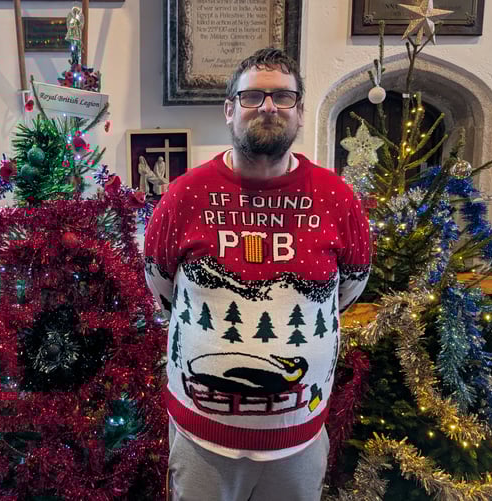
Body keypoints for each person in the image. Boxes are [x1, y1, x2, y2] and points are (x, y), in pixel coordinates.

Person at [144, 47, 371, 501]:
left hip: (298, 439)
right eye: (252, 97)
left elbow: (349, 285)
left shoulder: (337, 198)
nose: (268, 106)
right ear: (229, 109)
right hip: (200, 438)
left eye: (283, 96)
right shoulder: (185, 195)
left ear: (300, 112)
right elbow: (161, 282)